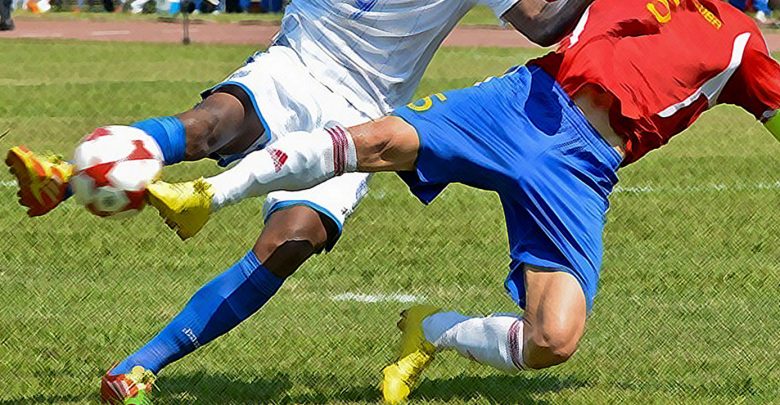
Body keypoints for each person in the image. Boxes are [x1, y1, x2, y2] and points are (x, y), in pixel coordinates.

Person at [146, 0, 780, 403]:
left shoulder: (743, 41)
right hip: (527, 104)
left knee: (553, 339)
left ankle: (431, 331)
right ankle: (206, 191)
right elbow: (548, 16)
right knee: (378, 141)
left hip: (584, 173)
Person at [4, 0, 595, 403]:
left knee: (293, 239)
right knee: (209, 125)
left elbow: (544, 23)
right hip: (294, 66)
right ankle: (70, 174)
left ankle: (136, 368)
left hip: (362, 106)